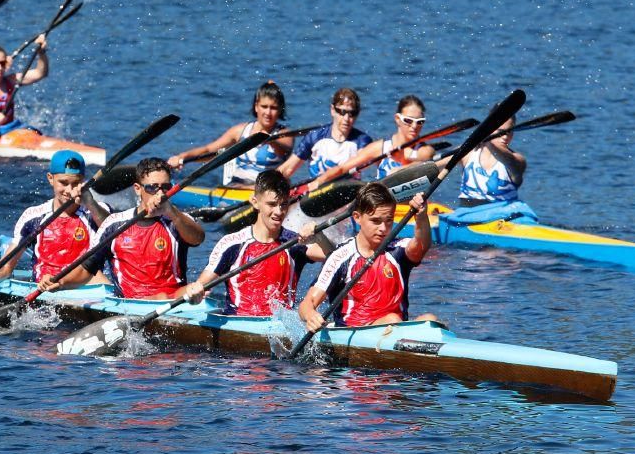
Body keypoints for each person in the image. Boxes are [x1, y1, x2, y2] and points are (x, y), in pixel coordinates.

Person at [48, 158, 205, 299]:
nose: (160, 194)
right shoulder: (114, 224)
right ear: (137, 188)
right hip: (132, 304)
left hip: (174, 301)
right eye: (152, 188)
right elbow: (86, 269)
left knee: (193, 290)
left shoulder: (177, 220)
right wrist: (60, 282)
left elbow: (198, 239)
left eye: (166, 187)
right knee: (162, 297)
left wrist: (171, 211)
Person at [184, 170, 330, 316]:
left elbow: (332, 257)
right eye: (271, 204)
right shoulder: (233, 243)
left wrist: (319, 235)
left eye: (283, 204)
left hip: (281, 328)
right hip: (239, 324)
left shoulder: (293, 243)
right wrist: (195, 292)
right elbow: (201, 285)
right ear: (255, 202)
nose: (279, 212)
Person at [0, 150, 110, 293]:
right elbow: (6, 267)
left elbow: (114, 233)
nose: (69, 190)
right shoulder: (34, 217)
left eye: (76, 183)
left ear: (83, 181)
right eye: (63, 183)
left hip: (87, 289)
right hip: (44, 289)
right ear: (50, 178)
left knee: (98, 276)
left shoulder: (96, 211)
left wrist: (90, 203)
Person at [298, 182, 436, 330]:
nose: (383, 229)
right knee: (393, 318)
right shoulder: (340, 256)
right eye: (375, 221)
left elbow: (421, 245)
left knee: (431, 320)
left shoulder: (398, 250)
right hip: (353, 332)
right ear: (357, 217)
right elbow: (308, 303)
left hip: (395, 328)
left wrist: (421, 216)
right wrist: (311, 315)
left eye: (389, 220)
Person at [167, 81, 293, 186]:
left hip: (267, 191)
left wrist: (270, 139)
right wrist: (181, 157)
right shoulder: (240, 131)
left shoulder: (285, 134)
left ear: (280, 109)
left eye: (273, 108)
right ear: (256, 107)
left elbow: (284, 151)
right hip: (237, 189)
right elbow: (209, 150)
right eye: (264, 106)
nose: (268, 112)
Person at [311, 95, 435, 187]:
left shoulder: (425, 150)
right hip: (384, 208)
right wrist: (319, 181)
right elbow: (343, 168)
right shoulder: (379, 148)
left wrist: (402, 167)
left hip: (414, 207)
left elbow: (424, 158)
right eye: (408, 120)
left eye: (420, 122)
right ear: (397, 119)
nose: (414, 126)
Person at [276, 87, 372, 182]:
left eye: (352, 113)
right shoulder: (314, 137)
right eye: (342, 112)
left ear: (358, 113)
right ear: (333, 110)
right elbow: (288, 169)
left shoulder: (362, 141)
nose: (346, 118)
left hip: (348, 191)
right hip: (316, 192)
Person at [0, 36, 48, 136]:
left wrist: (41, 53)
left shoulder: (11, 80)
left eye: (2, 63)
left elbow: (40, 73)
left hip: (10, 129)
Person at [442, 115, 526, 207]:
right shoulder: (468, 153)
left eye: (509, 131)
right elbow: (434, 168)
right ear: (491, 129)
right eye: (501, 132)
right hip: (466, 214)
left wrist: (487, 139)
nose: (506, 136)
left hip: (503, 216)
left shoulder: (518, 160)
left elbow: (508, 158)